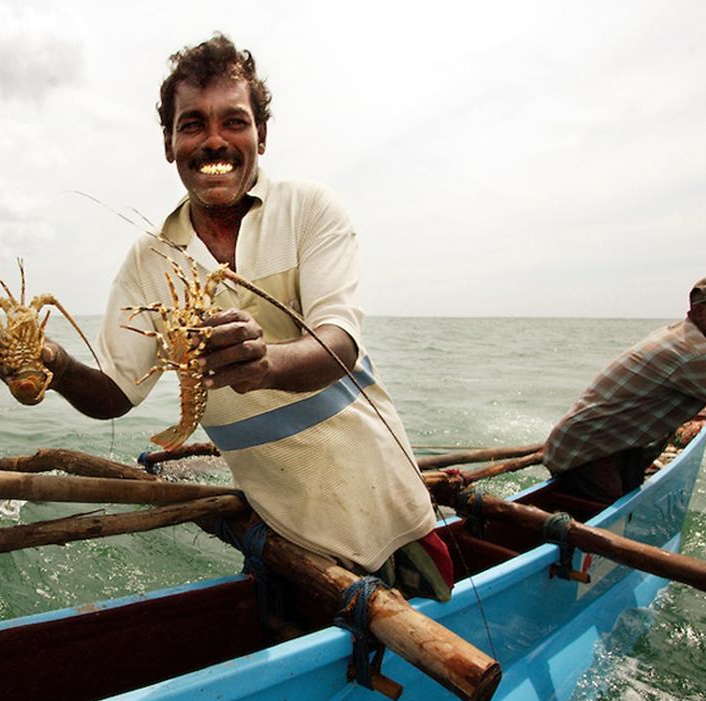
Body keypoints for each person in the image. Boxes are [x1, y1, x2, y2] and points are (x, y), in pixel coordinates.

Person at [35, 34, 453, 599]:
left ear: (261, 134)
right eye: (192, 124)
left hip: (385, 507)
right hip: (284, 528)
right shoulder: (149, 257)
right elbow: (116, 392)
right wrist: (54, 364)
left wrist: (267, 363)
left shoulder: (310, 208)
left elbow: (341, 341)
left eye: (234, 121)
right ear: (168, 142)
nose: (214, 141)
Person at [544, 271, 706, 502]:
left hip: (614, 447)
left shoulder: (682, 335)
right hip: (590, 453)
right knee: (599, 529)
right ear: (701, 310)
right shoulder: (696, 353)